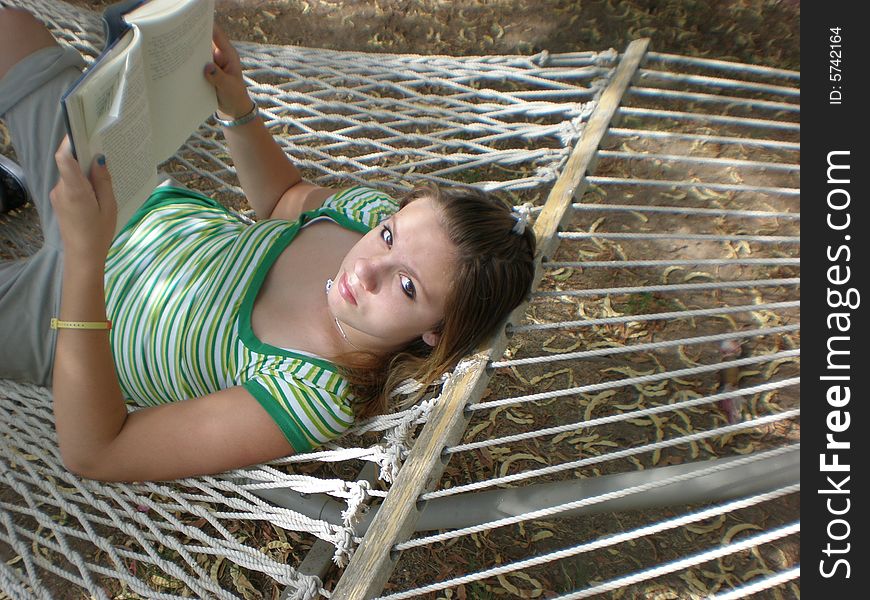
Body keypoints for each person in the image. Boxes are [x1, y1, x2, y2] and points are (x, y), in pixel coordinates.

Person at [0, 8, 536, 482]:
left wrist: (86, 257)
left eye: (406, 285)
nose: (368, 268)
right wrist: (236, 106)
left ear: (434, 331)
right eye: (390, 236)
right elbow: (285, 197)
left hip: (72, 318)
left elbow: (99, 452)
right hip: (130, 199)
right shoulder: (364, 214)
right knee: (12, 29)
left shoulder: (314, 392)